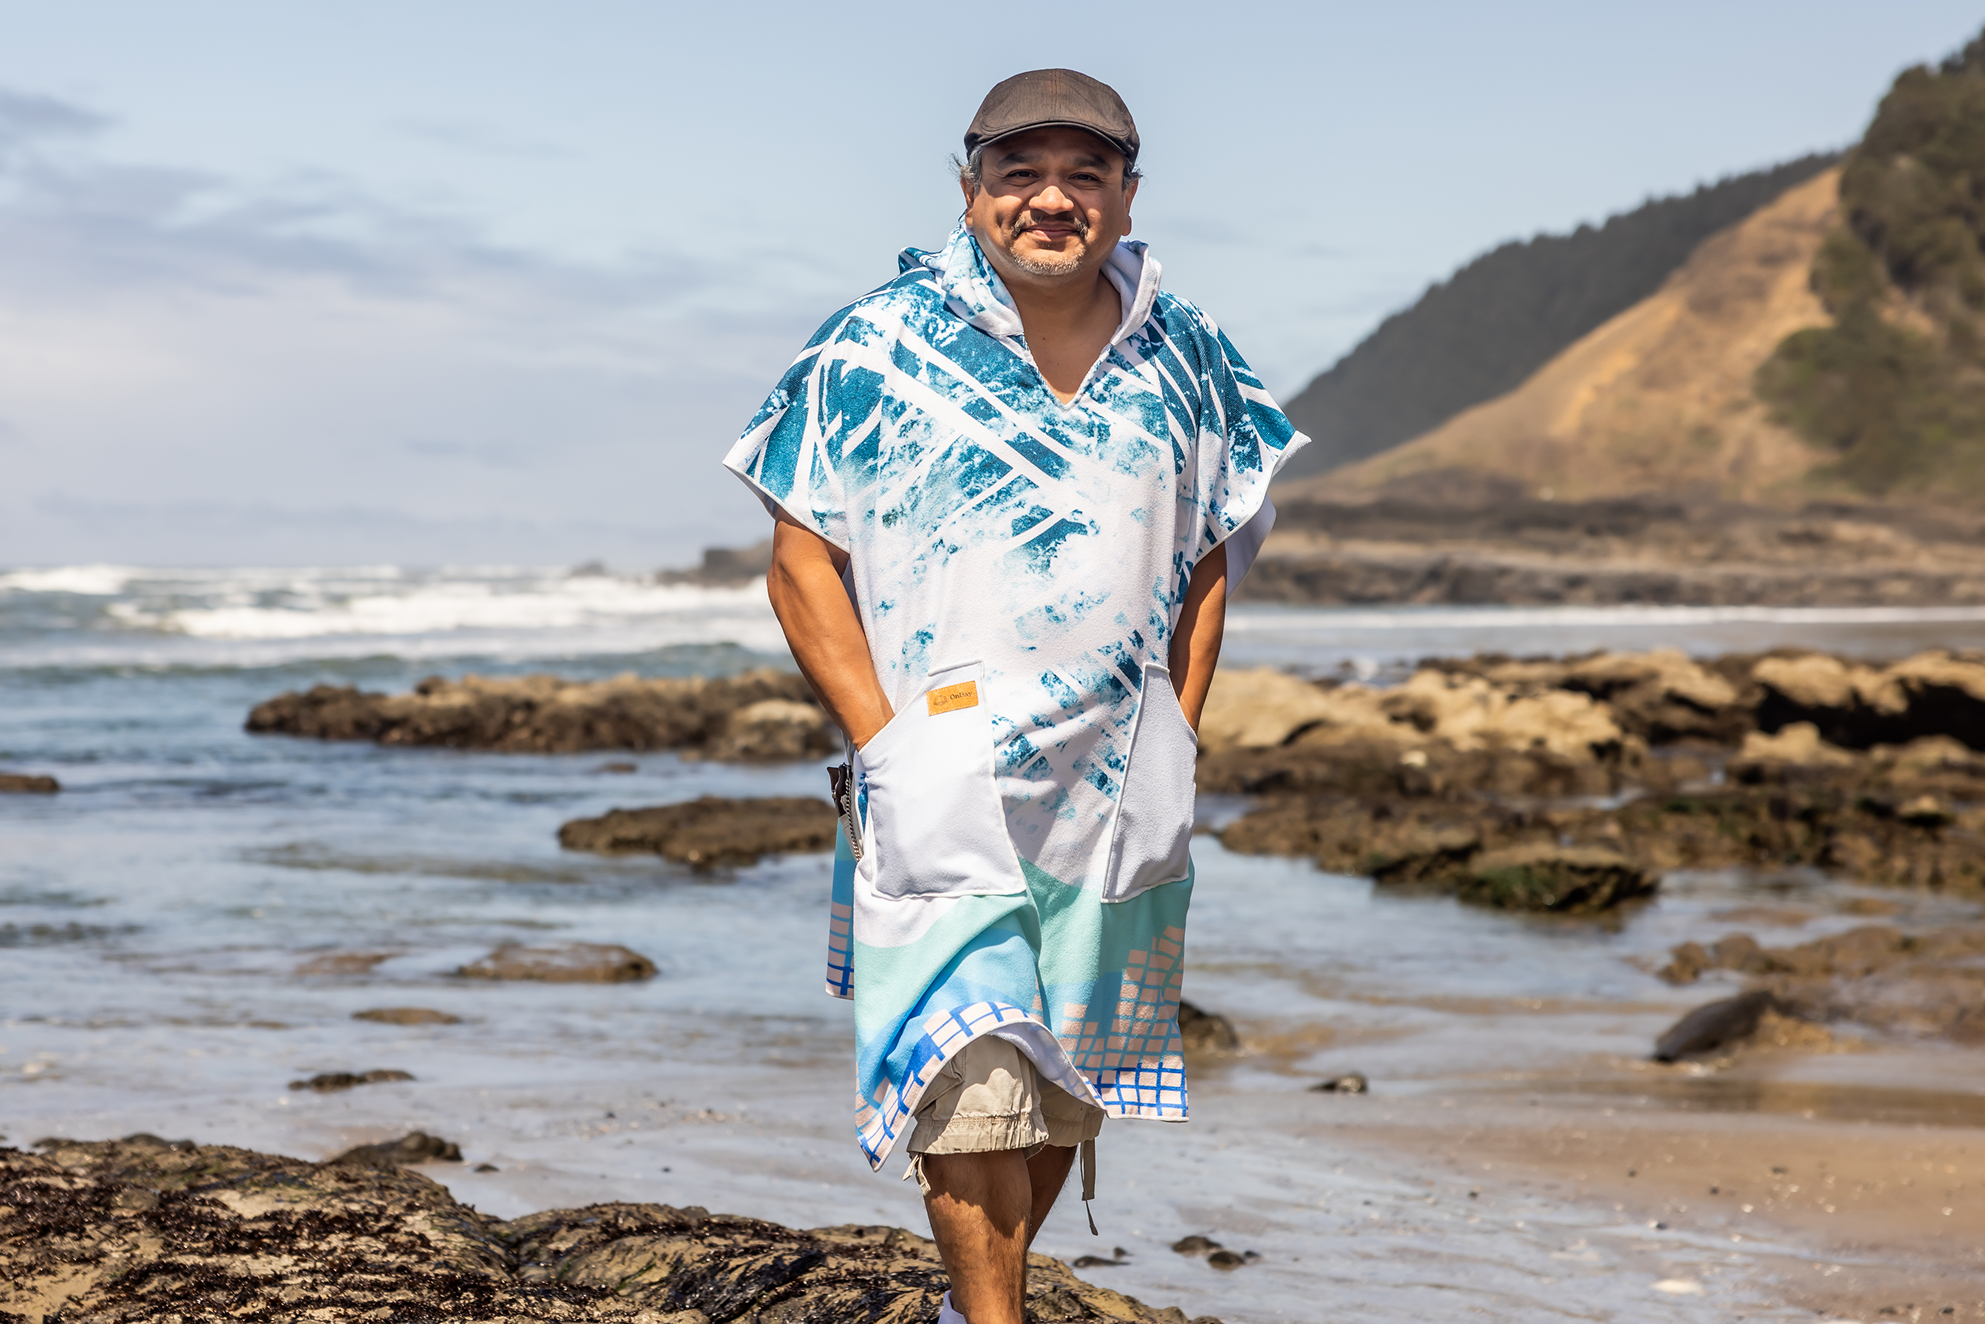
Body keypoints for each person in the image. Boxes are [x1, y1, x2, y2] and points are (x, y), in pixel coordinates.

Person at [722, 67, 1308, 1324]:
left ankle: (966, 1309)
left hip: (1118, 783)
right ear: (969, 189)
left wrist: (1177, 734)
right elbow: (798, 562)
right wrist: (884, 747)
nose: (1051, 198)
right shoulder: (871, 346)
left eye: (1083, 174)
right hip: (943, 774)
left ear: (1127, 195)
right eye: (1019, 172)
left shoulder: (1190, 352)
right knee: (964, 1073)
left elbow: (1211, 555)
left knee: (1069, 1082)